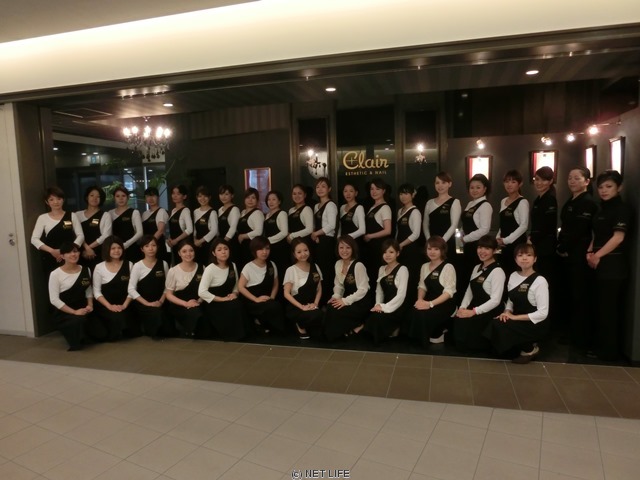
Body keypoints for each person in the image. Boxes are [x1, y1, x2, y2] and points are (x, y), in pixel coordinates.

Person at [587, 170, 631, 361]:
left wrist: (597, 255)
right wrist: (590, 252)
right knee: (599, 308)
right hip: (597, 263)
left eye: (609, 186)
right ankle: (600, 346)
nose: (604, 190)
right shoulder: (602, 208)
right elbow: (596, 234)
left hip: (613, 266)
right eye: (601, 187)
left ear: (619, 187)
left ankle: (609, 352)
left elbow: (618, 237)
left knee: (609, 310)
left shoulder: (622, 209)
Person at [485, 243, 549, 363]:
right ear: (515, 259)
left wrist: (514, 317)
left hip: (534, 323)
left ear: (535, 259)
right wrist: (507, 312)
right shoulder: (513, 276)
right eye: (520, 255)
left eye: (528, 255)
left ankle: (530, 350)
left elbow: (543, 313)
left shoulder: (540, 281)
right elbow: (511, 299)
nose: (524, 258)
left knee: (504, 326)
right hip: (518, 319)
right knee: (497, 322)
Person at [556, 167, 598, 350]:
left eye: (576, 178)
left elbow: (580, 230)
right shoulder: (572, 200)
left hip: (579, 255)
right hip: (568, 255)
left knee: (580, 296)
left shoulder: (588, 202)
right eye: (569, 178)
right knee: (571, 295)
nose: (572, 181)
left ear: (587, 181)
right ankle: (572, 334)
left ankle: (581, 339)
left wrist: (564, 247)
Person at [48, 242, 106, 351]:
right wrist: (74, 312)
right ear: (62, 256)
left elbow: (88, 290)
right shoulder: (55, 274)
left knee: (102, 333)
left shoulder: (86, 270)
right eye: (69, 252)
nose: (73, 254)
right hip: (65, 312)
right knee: (79, 322)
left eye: (75, 251)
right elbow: (54, 300)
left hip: (83, 308)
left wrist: (90, 305)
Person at [454, 235, 505, 352]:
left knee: (469, 327)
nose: (482, 251)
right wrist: (462, 307)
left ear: (494, 250)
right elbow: (469, 290)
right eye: (480, 247)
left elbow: (496, 300)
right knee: (459, 319)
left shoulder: (497, 271)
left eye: (487, 248)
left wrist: (473, 312)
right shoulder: (477, 267)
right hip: (476, 306)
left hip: (491, 310)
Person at [407, 236, 457, 348]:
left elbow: (448, 292)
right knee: (414, 311)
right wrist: (420, 300)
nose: (432, 252)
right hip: (429, 300)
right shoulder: (424, 266)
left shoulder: (448, 267)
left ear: (442, 250)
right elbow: (422, 286)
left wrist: (430, 304)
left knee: (424, 314)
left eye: (436, 249)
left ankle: (438, 332)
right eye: (429, 249)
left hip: (445, 303)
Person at [198, 238, 247, 341]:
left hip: (229, 298)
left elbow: (236, 285)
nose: (223, 252)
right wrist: (222, 299)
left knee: (239, 304)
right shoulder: (210, 269)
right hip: (215, 303)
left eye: (226, 248)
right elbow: (201, 292)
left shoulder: (233, 265)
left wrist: (235, 293)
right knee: (234, 306)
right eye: (219, 249)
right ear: (214, 253)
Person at [324, 235, 372, 341]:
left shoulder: (358, 265)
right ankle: (334, 334)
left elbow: (363, 290)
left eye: (348, 247)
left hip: (361, 302)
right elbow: (338, 285)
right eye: (341, 247)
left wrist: (345, 301)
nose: (344, 251)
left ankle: (360, 324)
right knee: (331, 306)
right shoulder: (338, 264)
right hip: (348, 299)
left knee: (335, 311)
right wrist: (336, 297)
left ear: (353, 249)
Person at [362, 238, 408, 345]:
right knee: (374, 315)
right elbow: (379, 291)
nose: (387, 255)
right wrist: (378, 304)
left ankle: (394, 327)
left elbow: (401, 295)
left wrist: (385, 307)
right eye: (385, 252)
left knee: (377, 319)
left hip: (398, 306)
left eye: (391, 252)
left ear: (397, 253)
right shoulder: (381, 269)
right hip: (384, 305)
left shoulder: (402, 269)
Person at [238, 236, 285, 334]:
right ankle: (257, 321)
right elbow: (240, 287)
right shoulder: (248, 267)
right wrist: (256, 299)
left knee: (275, 306)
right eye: (260, 249)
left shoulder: (272, 264)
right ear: (254, 250)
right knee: (273, 307)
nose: (264, 252)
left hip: (267, 299)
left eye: (267, 248)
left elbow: (276, 283)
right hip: (252, 301)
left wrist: (272, 298)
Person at [31, 186, 84, 274]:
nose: (56, 202)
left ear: (63, 200)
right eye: (51, 199)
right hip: (51, 257)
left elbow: (80, 235)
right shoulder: (42, 218)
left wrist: (68, 250)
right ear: (47, 202)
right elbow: (34, 239)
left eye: (59, 199)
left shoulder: (72, 215)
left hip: (70, 255)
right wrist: (52, 251)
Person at [92, 236, 134, 341]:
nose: (116, 251)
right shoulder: (99, 267)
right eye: (113, 248)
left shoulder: (129, 264)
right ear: (107, 250)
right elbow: (96, 292)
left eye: (119, 248)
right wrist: (109, 306)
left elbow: (132, 289)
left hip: (125, 305)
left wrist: (124, 305)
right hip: (106, 305)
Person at [127, 234, 169, 338]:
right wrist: (147, 303)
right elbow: (131, 289)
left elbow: (168, 286)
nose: (150, 248)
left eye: (153, 245)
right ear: (142, 249)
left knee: (169, 330)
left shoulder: (164, 264)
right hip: (143, 304)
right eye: (147, 246)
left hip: (160, 302)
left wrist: (161, 301)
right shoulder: (137, 266)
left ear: (157, 247)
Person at [283, 238, 323, 339]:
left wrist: (315, 304)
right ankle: (299, 323)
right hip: (297, 307)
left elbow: (319, 289)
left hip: (311, 305)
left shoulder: (315, 266)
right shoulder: (291, 270)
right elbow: (286, 293)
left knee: (320, 323)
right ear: (294, 254)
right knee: (315, 316)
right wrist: (302, 307)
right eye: (299, 252)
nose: (303, 254)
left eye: (305, 250)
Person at [459, 174, 493, 294]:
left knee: (475, 276)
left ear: (485, 189)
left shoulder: (485, 205)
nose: (474, 190)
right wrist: (460, 237)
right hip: (466, 246)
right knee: (466, 275)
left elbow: (484, 229)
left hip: (477, 246)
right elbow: (464, 224)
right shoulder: (470, 204)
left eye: (478, 187)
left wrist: (465, 239)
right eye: (472, 187)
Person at [164, 240, 204, 338]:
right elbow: (168, 294)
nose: (188, 254)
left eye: (191, 250)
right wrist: (186, 304)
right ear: (179, 253)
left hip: (198, 303)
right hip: (180, 305)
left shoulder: (202, 268)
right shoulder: (173, 271)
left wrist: (198, 301)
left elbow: (206, 289)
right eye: (184, 251)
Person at [310, 177, 337, 304]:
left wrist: (316, 233)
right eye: (318, 187)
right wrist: (315, 235)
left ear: (329, 189)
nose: (320, 189)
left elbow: (331, 225)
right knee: (319, 271)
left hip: (327, 242)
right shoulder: (316, 206)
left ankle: (328, 300)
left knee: (326, 272)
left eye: (323, 186)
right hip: (317, 242)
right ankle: (320, 300)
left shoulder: (331, 205)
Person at [496, 170, 529, 275]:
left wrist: (506, 240)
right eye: (507, 181)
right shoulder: (503, 201)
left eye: (513, 182)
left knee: (516, 274)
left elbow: (524, 226)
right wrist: (498, 238)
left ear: (520, 184)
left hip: (517, 246)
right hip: (504, 246)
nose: (509, 184)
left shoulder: (522, 202)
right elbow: (502, 224)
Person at [528, 166, 557, 283]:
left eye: (544, 180)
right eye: (537, 179)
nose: (539, 183)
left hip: (546, 247)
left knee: (544, 279)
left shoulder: (550, 199)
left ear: (550, 181)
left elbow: (547, 225)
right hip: (537, 244)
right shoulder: (538, 200)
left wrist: (532, 239)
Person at [423, 172, 462, 259]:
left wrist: (441, 242)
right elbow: (425, 224)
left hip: (448, 242)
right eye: (437, 183)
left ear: (450, 184)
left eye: (443, 182)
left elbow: (454, 225)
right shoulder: (429, 203)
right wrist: (429, 240)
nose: (440, 185)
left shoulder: (455, 202)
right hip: (432, 244)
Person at [396, 183, 423, 305]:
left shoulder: (415, 211)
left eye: (406, 193)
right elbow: (398, 231)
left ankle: (412, 305)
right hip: (400, 250)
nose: (403, 196)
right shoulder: (400, 211)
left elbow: (416, 234)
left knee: (411, 278)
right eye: (401, 193)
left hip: (411, 250)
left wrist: (401, 245)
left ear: (413, 195)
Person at [363, 178, 393, 290]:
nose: (374, 191)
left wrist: (370, 236)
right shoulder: (372, 207)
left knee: (378, 275)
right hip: (370, 248)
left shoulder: (385, 207)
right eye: (372, 189)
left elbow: (388, 230)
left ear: (383, 191)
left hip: (379, 247)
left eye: (377, 189)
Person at [76, 185, 112, 271]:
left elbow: (106, 235)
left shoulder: (105, 215)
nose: (95, 198)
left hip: (98, 252)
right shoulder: (77, 215)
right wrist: (86, 248)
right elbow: (76, 233)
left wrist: (89, 248)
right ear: (87, 197)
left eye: (98, 196)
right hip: (80, 252)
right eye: (92, 195)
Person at [109, 185, 143, 263]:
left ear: (128, 197)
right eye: (118, 196)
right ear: (114, 198)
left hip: (132, 248)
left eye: (123, 196)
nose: (121, 198)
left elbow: (140, 233)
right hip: (115, 250)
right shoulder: (110, 213)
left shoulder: (134, 212)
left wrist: (125, 245)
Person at [264, 190, 289, 284]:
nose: (271, 202)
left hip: (280, 248)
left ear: (279, 201)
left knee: (281, 272)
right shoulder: (267, 215)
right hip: (270, 248)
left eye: (274, 199)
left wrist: (268, 240)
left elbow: (284, 232)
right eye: (269, 199)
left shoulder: (282, 213)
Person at [237, 188, 265, 269]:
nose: (250, 200)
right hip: (242, 248)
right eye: (248, 197)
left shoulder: (257, 213)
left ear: (257, 200)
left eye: (253, 198)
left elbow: (258, 231)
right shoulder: (242, 212)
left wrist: (243, 236)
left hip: (252, 247)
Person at [167, 185, 194, 265]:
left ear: (184, 196)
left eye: (178, 194)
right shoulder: (173, 210)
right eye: (173, 193)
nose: (175, 196)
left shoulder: (185, 211)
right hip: (174, 245)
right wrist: (169, 239)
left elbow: (189, 229)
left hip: (183, 245)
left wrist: (176, 240)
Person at [141, 186, 169, 263]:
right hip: (147, 248)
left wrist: (150, 244)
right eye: (148, 196)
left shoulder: (162, 211)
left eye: (153, 196)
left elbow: (160, 231)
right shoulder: (144, 214)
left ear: (158, 197)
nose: (150, 198)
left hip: (158, 246)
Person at [193, 185, 218, 266]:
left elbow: (214, 231)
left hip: (209, 245)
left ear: (209, 197)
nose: (202, 199)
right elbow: (194, 228)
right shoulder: (195, 212)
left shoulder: (212, 212)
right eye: (200, 196)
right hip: (197, 245)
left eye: (205, 196)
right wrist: (195, 239)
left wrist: (200, 241)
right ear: (197, 197)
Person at [217, 184, 241, 260]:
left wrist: (224, 242)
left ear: (232, 195)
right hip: (222, 242)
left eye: (226, 194)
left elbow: (233, 228)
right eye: (221, 194)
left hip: (231, 242)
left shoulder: (234, 209)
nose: (223, 197)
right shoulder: (220, 209)